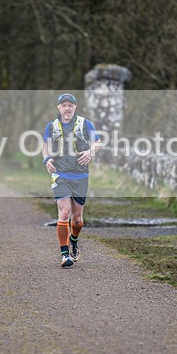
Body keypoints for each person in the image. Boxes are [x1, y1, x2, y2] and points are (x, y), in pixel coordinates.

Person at [42, 93, 101, 268]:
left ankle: (73, 241)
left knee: (76, 219)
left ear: (75, 108)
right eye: (64, 105)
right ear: (58, 107)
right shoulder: (52, 126)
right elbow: (45, 148)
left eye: (70, 105)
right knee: (64, 212)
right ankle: (64, 254)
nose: (67, 108)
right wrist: (47, 160)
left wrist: (90, 151)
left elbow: (98, 143)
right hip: (60, 175)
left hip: (81, 176)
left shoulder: (84, 124)